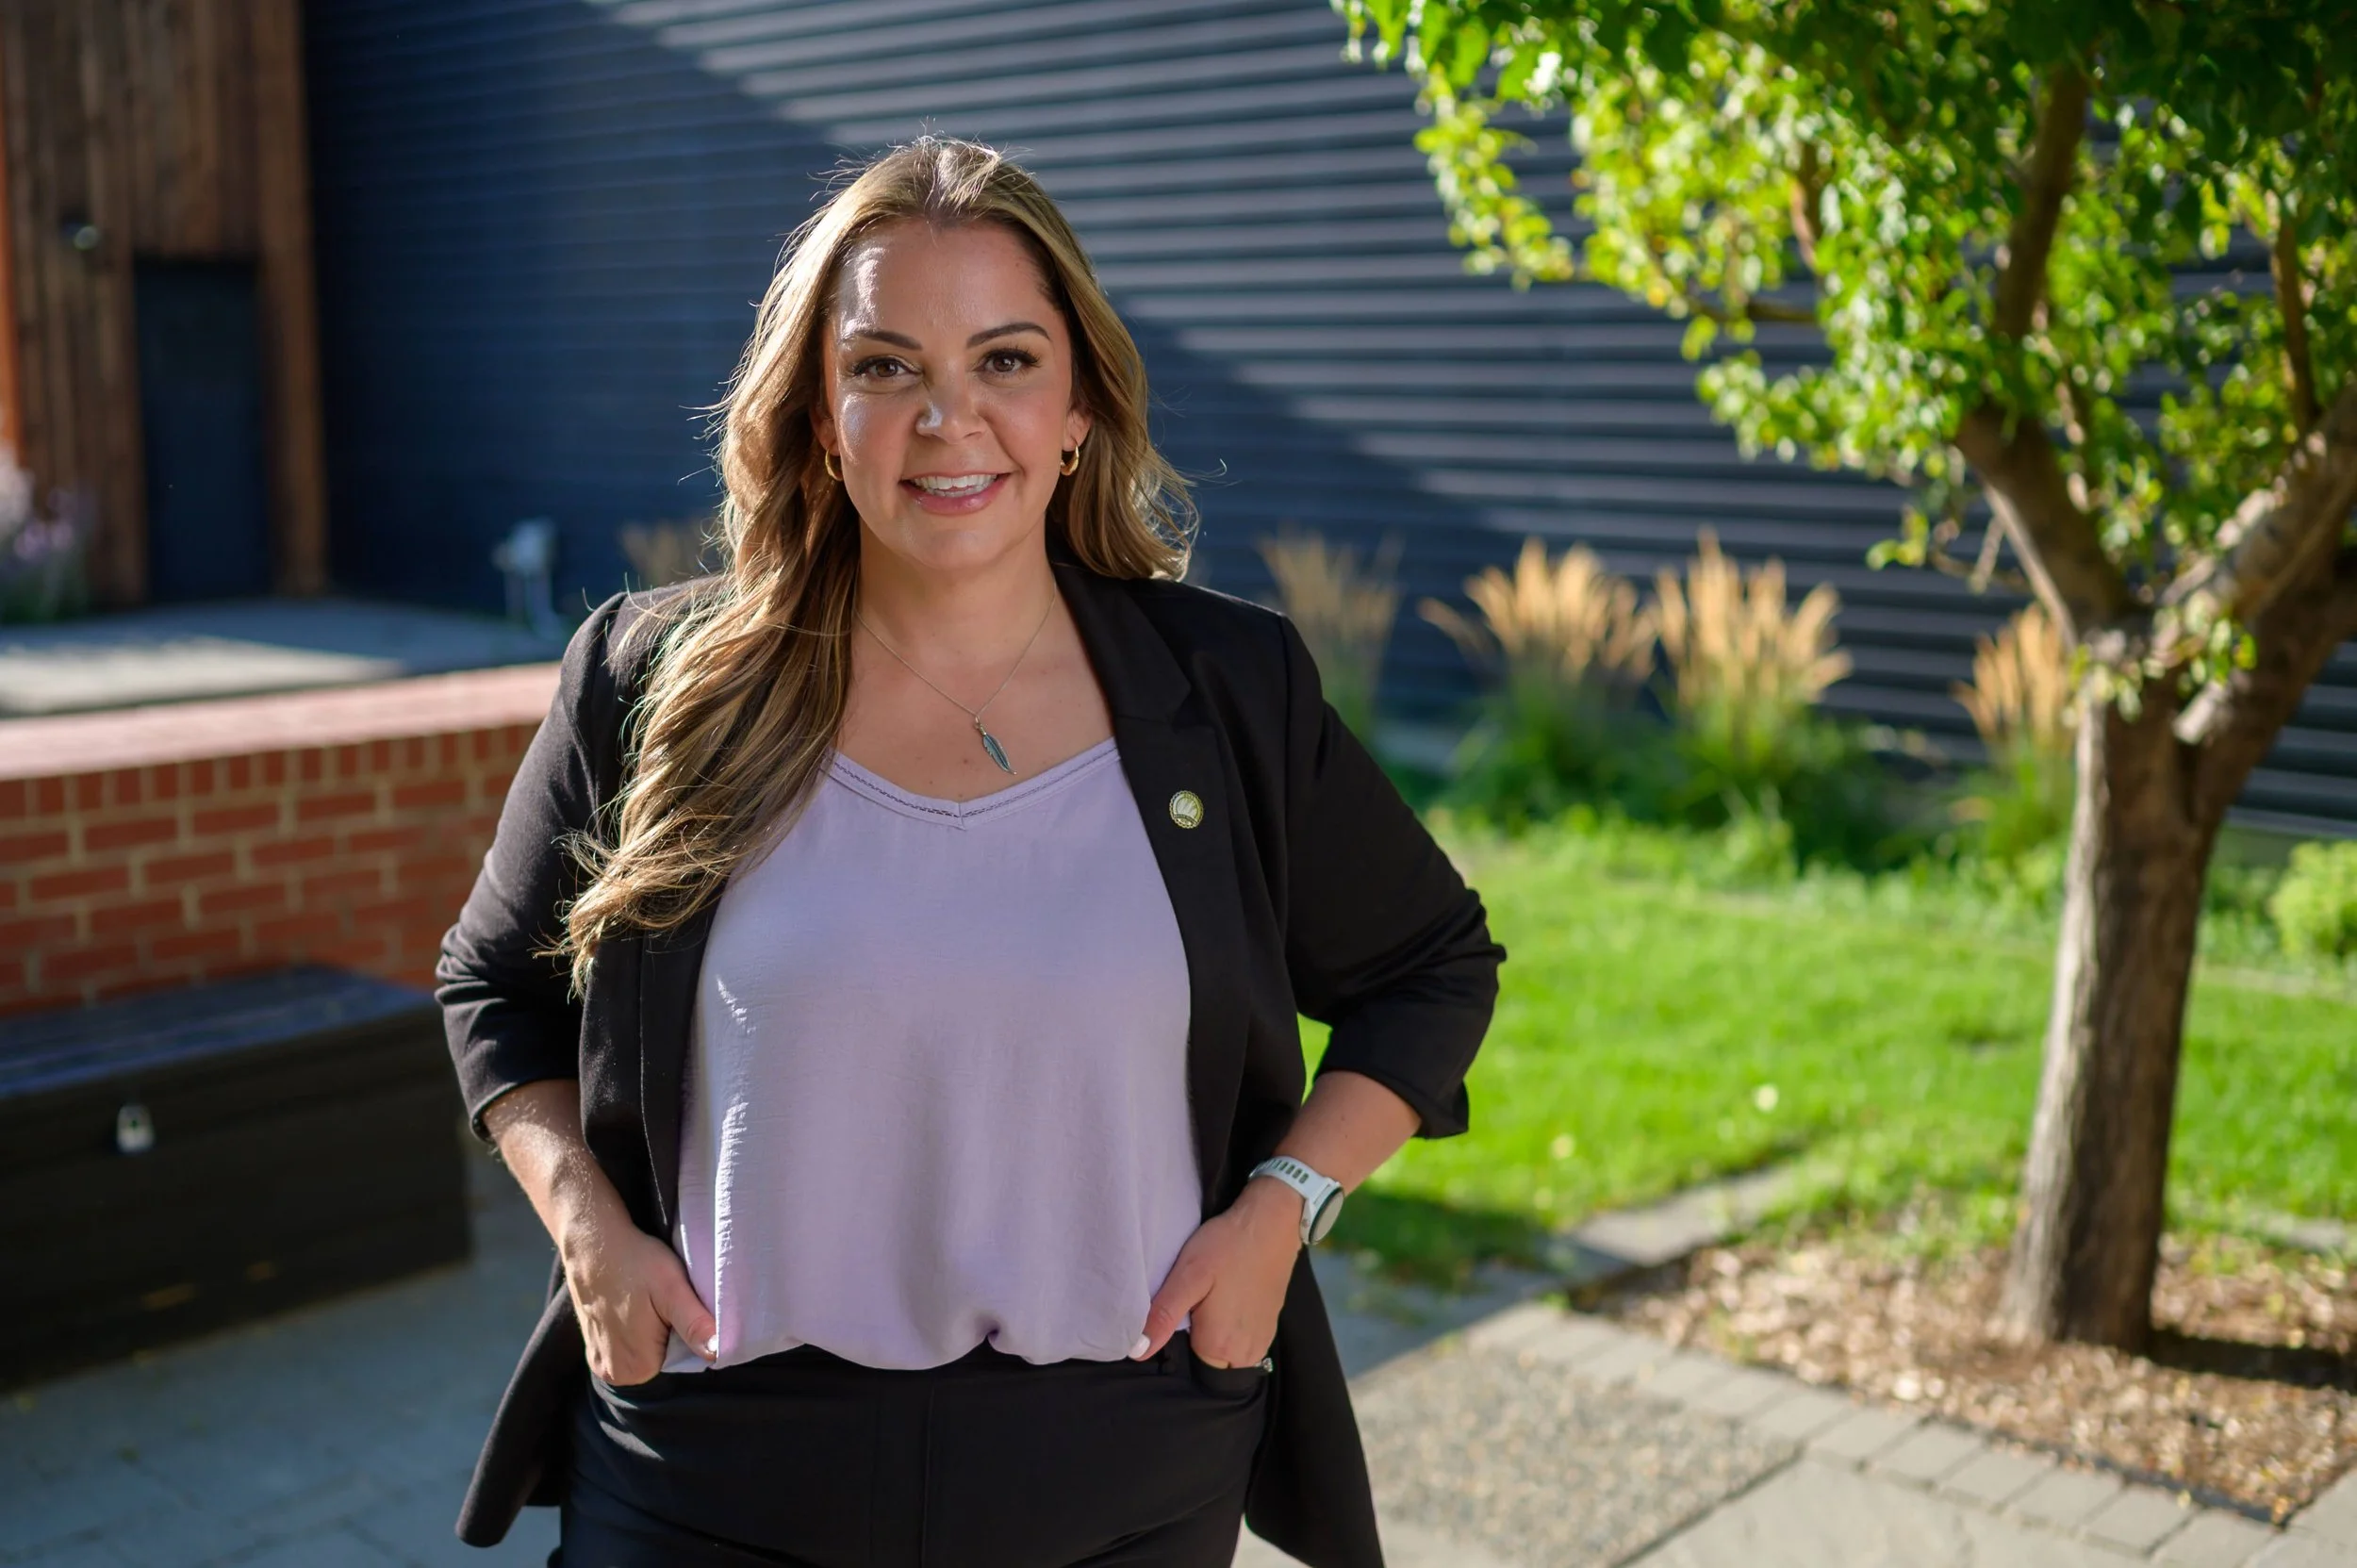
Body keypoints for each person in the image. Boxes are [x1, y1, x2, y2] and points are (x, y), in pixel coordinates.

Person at [437, 136, 1504, 1568]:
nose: (950, 418)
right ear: (819, 413)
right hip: (713, 1460)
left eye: (1005, 360)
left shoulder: (1227, 692)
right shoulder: (654, 682)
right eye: (884, 366)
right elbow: (493, 984)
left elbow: (1432, 968)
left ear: (1079, 406)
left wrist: (1282, 1209)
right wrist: (583, 1223)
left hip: (1122, 1468)